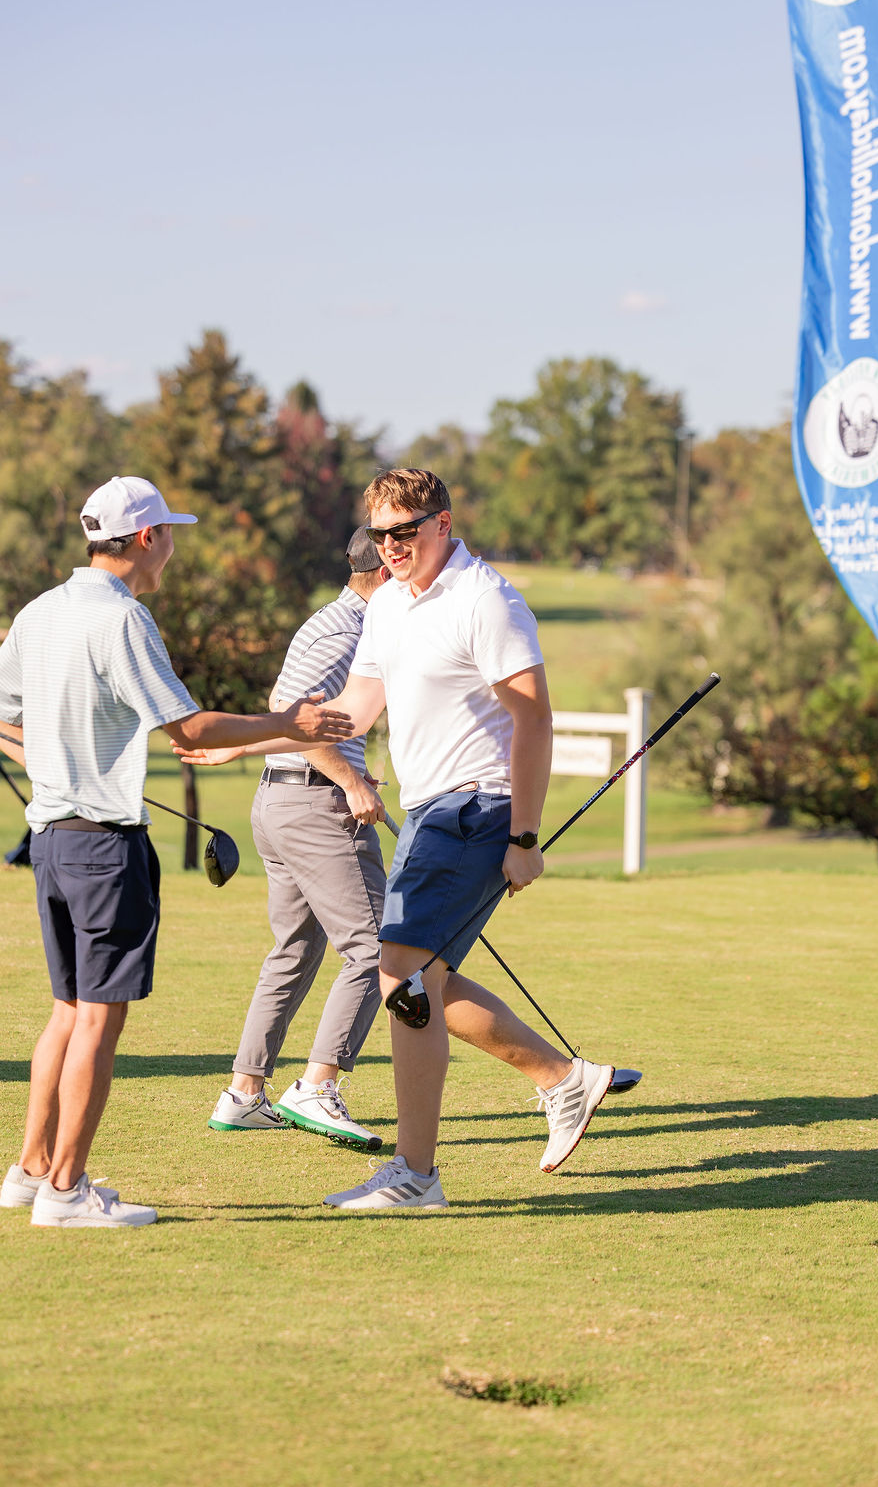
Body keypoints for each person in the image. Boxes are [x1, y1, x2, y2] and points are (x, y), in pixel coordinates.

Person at [0, 475, 349, 1229]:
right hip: (104, 849)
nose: (172, 549)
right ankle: (65, 1192)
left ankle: (28, 1172)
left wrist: (52, 766)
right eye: (170, 535)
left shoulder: (39, 611)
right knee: (98, 1020)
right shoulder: (124, 617)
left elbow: (3, 718)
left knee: (67, 1011)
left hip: (51, 842)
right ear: (147, 537)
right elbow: (186, 729)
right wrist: (287, 724)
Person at [312, 468, 614, 1210]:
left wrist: (526, 836)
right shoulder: (389, 604)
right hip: (427, 812)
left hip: (477, 807)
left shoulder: (486, 599)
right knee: (421, 980)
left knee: (403, 979)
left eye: (404, 532)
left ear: (442, 524)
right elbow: (354, 710)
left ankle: (416, 1175)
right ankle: (563, 1080)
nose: (391, 546)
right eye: (380, 534)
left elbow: (534, 717)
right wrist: (251, 737)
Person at [204, 527, 391, 1148]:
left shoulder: (338, 621)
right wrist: (350, 781)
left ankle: (244, 1094)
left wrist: (350, 771)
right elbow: (293, 712)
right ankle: (317, 1086)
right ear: (382, 573)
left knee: (295, 950)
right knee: (375, 948)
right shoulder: (348, 632)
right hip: (314, 806)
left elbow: (289, 711)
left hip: (285, 799)